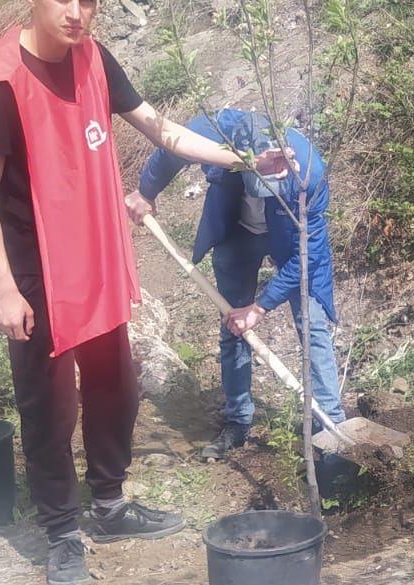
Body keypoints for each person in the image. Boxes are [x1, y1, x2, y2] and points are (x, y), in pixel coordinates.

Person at [0, 0, 290, 585]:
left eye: (89, 1)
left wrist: (241, 160)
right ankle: (61, 531)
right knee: (49, 405)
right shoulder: (0, 84)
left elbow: (161, 129)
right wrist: (3, 288)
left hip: (94, 258)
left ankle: (109, 505)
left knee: (115, 388)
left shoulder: (93, 59)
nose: (77, 13)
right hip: (36, 272)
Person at [124, 109, 346, 464]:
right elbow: (171, 144)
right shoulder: (217, 130)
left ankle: (332, 426)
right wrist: (146, 191)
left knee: (312, 324)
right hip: (237, 232)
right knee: (232, 324)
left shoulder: (309, 175)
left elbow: (305, 259)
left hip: (290, 236)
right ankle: (237, 421)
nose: (262, 195)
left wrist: (259, 308)